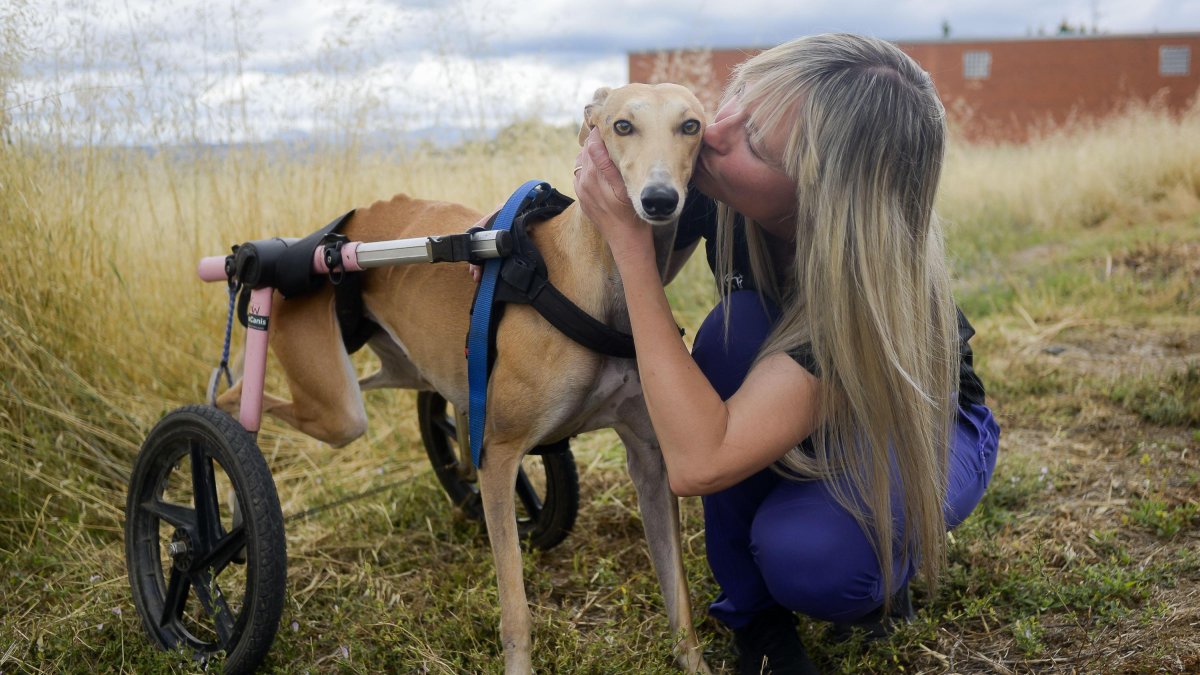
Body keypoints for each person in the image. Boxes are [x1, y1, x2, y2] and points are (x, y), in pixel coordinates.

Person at [572, 33, 1000, 674]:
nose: (715, 133)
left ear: (820, 194)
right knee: (732, 331)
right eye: (737, 98)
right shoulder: (708, 176)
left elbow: (696, 463)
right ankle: (754, 617)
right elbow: (605, 223)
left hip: (920, 423)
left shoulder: (860, 283)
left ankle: (884, 573)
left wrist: (632, 248)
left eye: (756, 144)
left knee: (813, 558)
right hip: (795, 393)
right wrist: (511, 243)